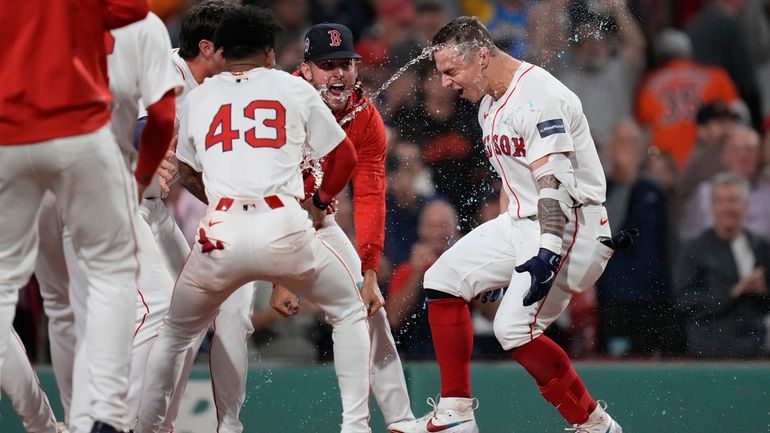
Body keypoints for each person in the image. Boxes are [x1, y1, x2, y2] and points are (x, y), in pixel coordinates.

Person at [135, 7, 372, 433]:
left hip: (219, 231)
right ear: (268, 52)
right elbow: (346, 158)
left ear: (221, 53)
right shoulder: (292, 87)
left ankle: (147, 427)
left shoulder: (199, 96)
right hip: (283, 224)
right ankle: (355, 426)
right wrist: (319, 201)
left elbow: (185, 170)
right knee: (349, 312)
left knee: (173, 334)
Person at [389, 17, 625, 433]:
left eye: (450, 71)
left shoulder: (539, 97)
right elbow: (513, 184)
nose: (445, 84)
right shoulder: (487, 104)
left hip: (571, 225)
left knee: (512, 330)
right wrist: (501, 252)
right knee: (444, 278)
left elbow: (553, 186)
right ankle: (456, 415)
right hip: (522, 221)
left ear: (481, 56)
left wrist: (546, 252)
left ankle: (593, 424)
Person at [0, 2, 153, 433]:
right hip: (78, 138)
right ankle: (99, 416)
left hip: (9, 143)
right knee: (108, 280)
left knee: (50, 303)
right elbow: (134, 8)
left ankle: (46, 425)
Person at [32, 10, 181, 433]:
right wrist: (140, 179)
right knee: (149, 304)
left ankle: (67, 420)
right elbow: (161, 118)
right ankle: (106, 421)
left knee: (63, 310)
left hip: (32, 173)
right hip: (93, 178)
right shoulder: (144, 25)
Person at [268, 22, 417, 431]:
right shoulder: (281, 98)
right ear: (307, 69)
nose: (338, 74)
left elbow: (369, 193)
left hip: (316, 218)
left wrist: (370, 271)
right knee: (218, 320)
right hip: (256, 219)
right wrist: (282, 273)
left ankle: (401, 421)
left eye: (346, 64)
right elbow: (267, 178)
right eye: (327, 64)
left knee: (370, 309)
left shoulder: (365, 117)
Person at [675, 172, 770, 358]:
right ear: (712, 206)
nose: (727, 208)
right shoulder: (694, 249)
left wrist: (763, 290)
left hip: (755, 351)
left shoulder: (761, 246)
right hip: (711, 353)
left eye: (733, 200)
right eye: (721, 201)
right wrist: (733, 291)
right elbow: (684, 301)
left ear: (745, 206)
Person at [636, 28, 741, 168]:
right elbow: (741, 116)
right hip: (712, 160)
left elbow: (644, 131)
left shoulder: (648, 84)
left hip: (668, 165)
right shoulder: (716, 76)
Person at [385, 199, 460, 359]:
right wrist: (417, 274)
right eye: (432, 226)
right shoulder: (407, 270)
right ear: (421, 230)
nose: (438, 233)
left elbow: (491, 312)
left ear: (455, 230)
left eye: (444, 225)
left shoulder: (464, 266)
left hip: (459, 351)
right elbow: (393, 319)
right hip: (417, 355)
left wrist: (463, 269)